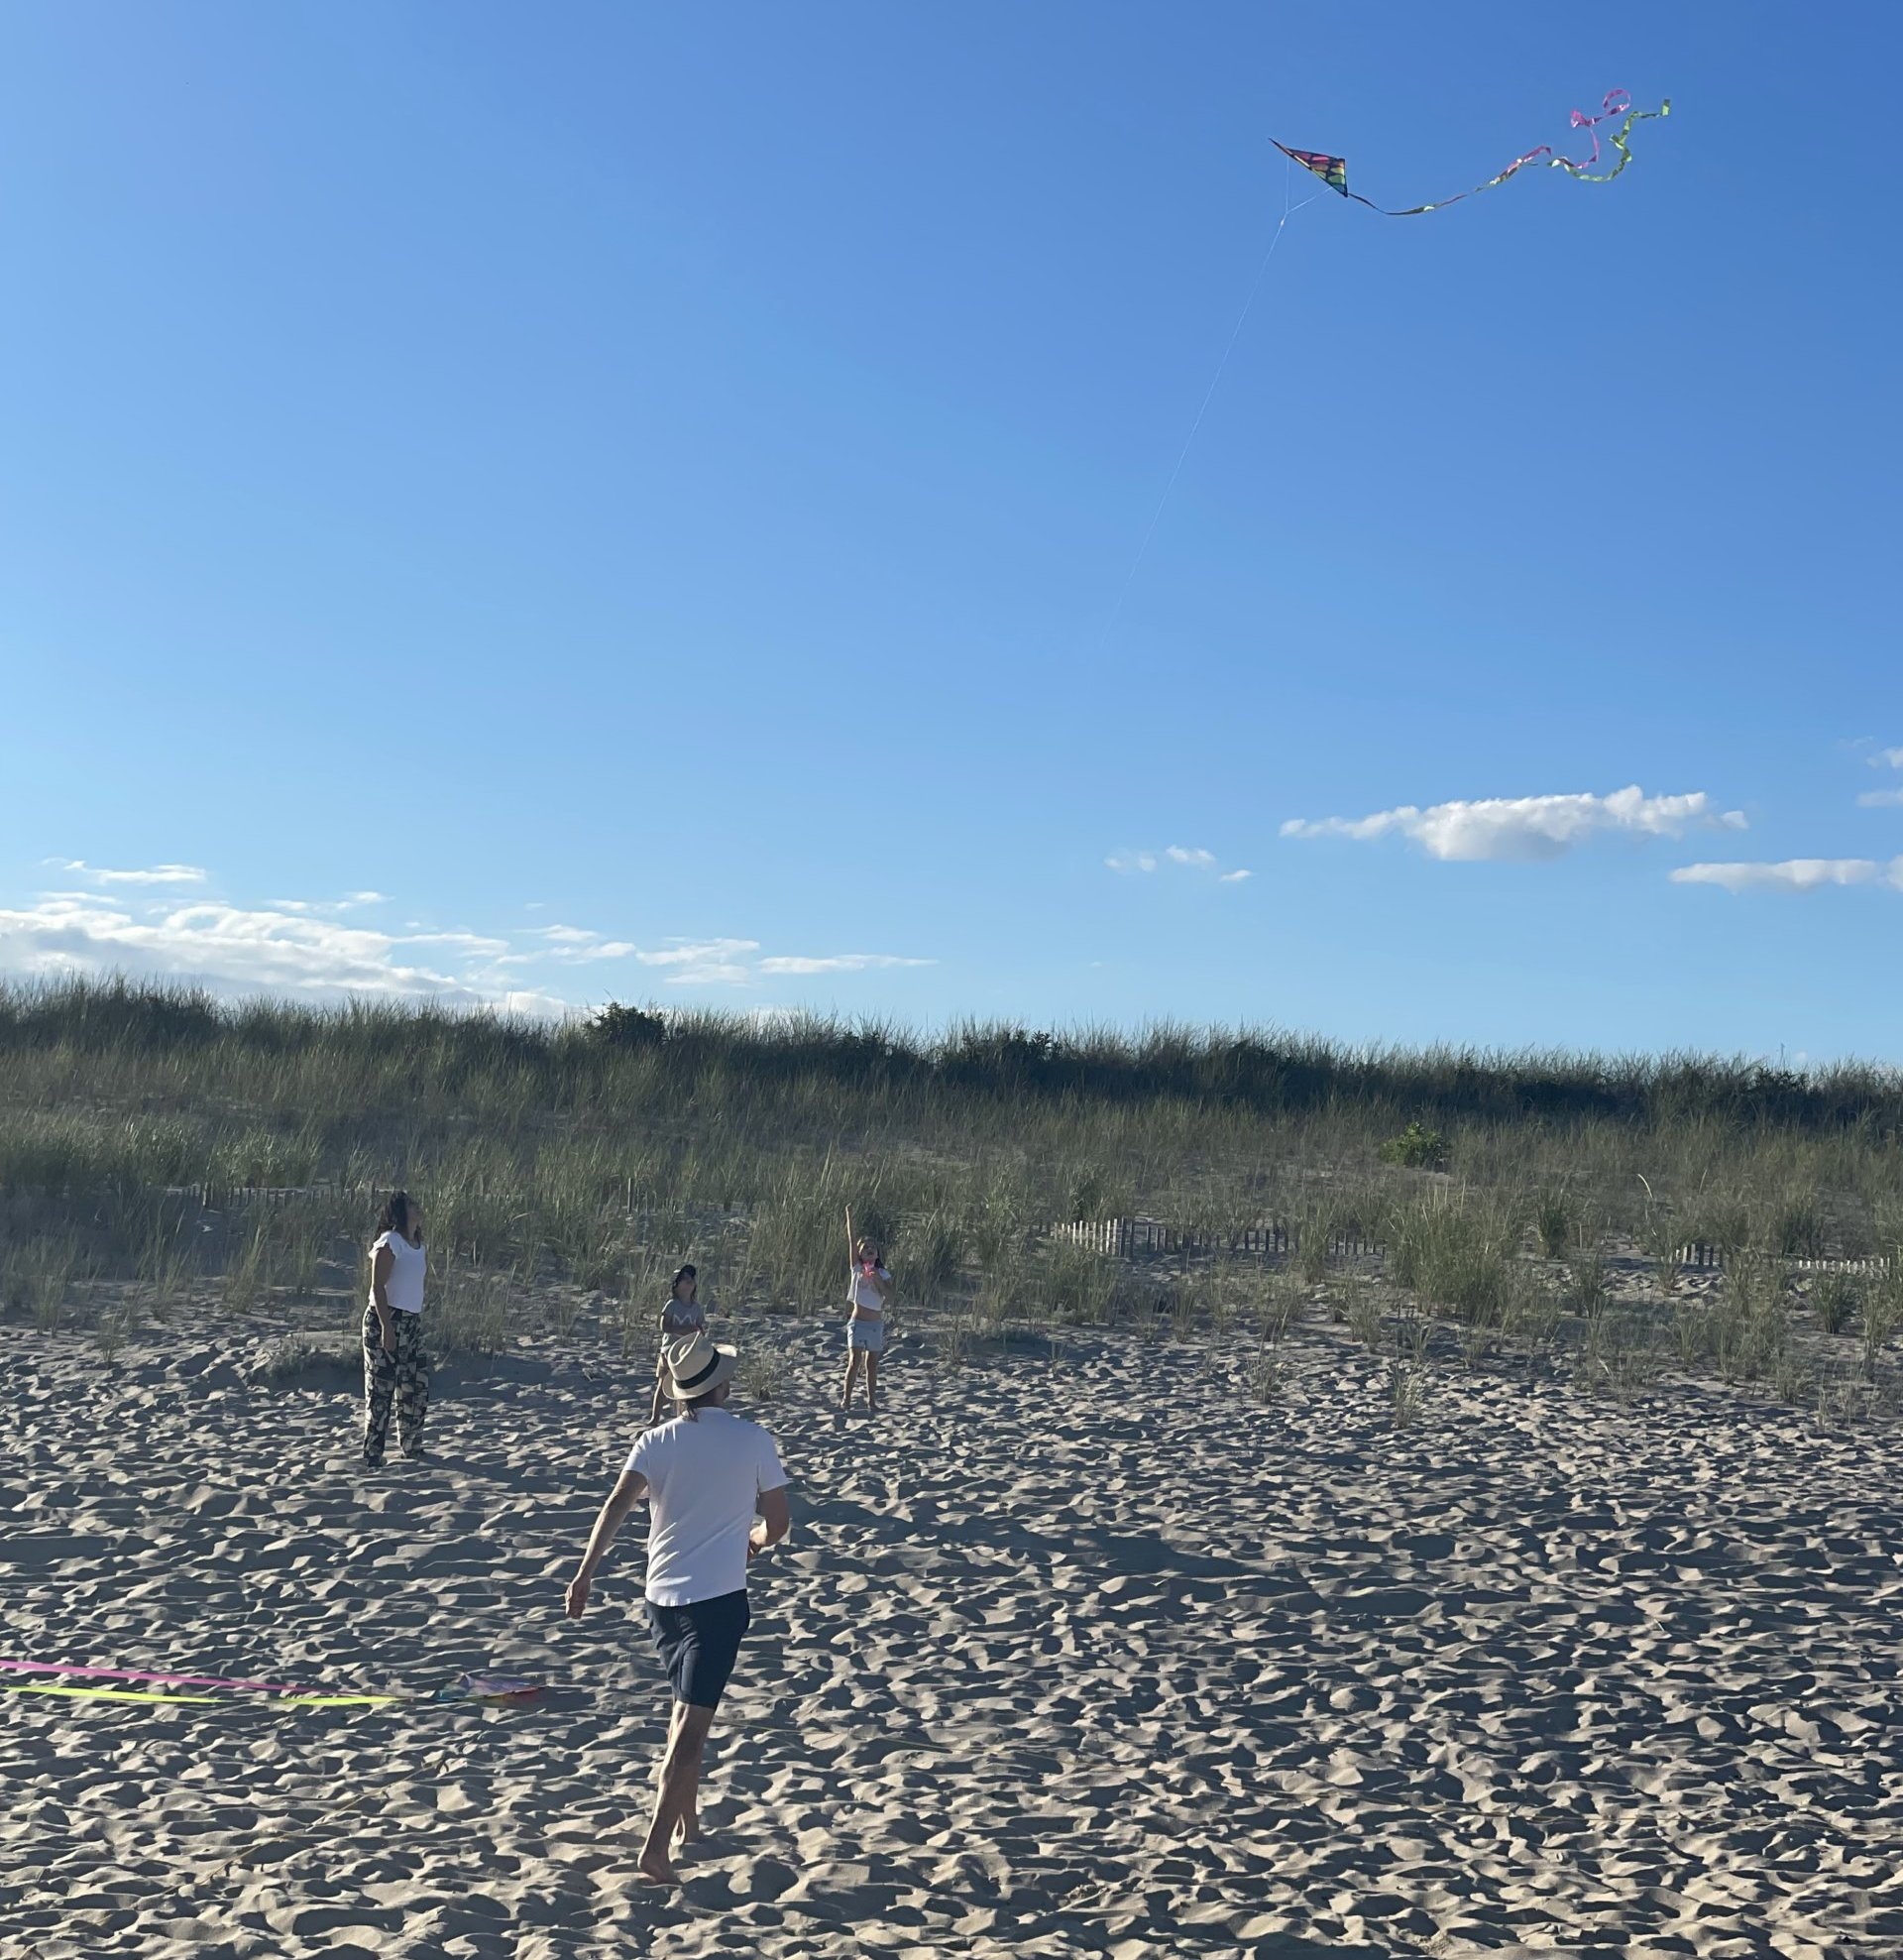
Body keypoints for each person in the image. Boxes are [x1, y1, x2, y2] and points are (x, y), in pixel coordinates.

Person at [565, 1330, 791, 1888]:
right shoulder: (752, 1439)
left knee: (685, 1707)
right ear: (721, 1385)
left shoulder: (655, 1441)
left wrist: (585, 1573)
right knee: (690, 1728)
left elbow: (616, 1506)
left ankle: (687, 1818)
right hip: (717, 1604)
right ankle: (655, 1849)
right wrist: (755, 1542)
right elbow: (779, 1524)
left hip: (660, 1602)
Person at [363, 1190, 429, 1466]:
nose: (418, 1208)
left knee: (415, 1385)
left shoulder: (417, 1244)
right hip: (386, 1319)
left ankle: (411, 1444)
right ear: (401, 1212)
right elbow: (377, 1286)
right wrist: (386, 1327)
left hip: (411, 1321)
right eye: (412, 1205)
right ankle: (373, 1452)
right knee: (381, 1388)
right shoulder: (390, 1242)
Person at [648, 1264, 706, 1427]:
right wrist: (683, 1330)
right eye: (685, 1280)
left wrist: (698, 1333)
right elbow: (664, 1327)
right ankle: (655, 1417)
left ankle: (682, 1416)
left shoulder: (697, 1308)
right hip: (669, 1351)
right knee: (663, 1384)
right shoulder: (672, 1305)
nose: (689, 1283)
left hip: (688, 1352)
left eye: (691, 1280)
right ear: (676, 1284)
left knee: (685, 1386)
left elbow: (700, 1326)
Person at [839, 1236, 891, 1413]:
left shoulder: (883, 1274)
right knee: (854, 1361)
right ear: (860, 1254)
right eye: (865, 1247)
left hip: (875, 1325)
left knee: (872, 1364)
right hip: (858, 1323)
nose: (869, 1249)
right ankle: (846, 1399)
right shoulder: (857, 1269)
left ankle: (872, 1401)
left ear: (877, 1254)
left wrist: (877, 1280)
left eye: (873, 1247)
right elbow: (852, 1241)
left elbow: (889, 1297)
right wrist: (849, 1215)